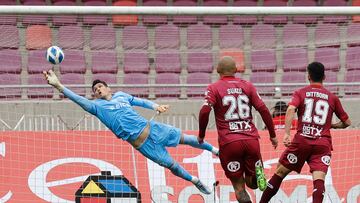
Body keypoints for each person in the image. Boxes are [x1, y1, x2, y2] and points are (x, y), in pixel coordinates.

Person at [43, 70, 219, 195]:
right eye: (95, 90)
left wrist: (156, 106)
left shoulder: (122, 95)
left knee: (186, 138)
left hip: (154, 129)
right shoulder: (97, 107)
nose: (98, 90)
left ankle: (215, 151)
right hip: (143, 145)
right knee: (171, 166)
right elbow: (78, 99)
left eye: (100, 87)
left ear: (108, 88)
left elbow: (140, 102)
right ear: (95, 96)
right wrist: (59, 85)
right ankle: (194, 180)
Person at [259, 62, 351, 203]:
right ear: (324, 77)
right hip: (322, 143)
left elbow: (290, 109)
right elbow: (347, 122)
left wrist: (287, 133)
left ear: (308, 76)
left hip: (302, 141)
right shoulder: (332, 98)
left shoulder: (301, 93)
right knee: (319, 181)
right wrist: (332, 125)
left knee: (280, 172)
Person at [197, 56, 278, 203]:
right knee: (252, 184)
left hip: (229, 142)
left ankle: (252, 180)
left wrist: (201, 135)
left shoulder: (213, 88)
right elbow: (263, 109)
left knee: (239, 188)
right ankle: (256, 175)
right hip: (251, 139)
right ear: (235, 70)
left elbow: (204, 111)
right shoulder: (248, 86)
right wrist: (272, 135)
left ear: (217, 71)